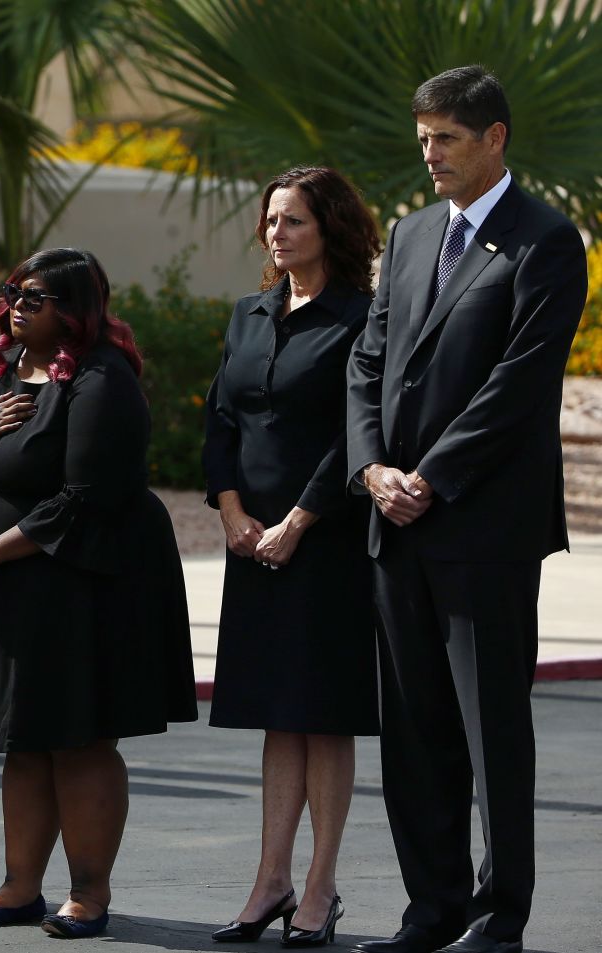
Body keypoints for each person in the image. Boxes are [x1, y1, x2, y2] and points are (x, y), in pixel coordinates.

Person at [346, 67, 587, 953]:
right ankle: (431, 907)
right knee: (412, 735)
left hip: (481, 529)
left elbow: (518, 386)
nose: (429, 154)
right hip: (393, 521)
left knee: (490, 734)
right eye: (422, 138)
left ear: (494, 138)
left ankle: (500, 915)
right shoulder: (411, 236)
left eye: (445, 138)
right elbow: (368, 362)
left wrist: (431, 477)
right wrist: (373, 467)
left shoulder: (548, 243)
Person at [0, 248, 197, 939]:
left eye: (36, 297)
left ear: (74, 310)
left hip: (81, 582)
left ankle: (89, 893)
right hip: (4, 593)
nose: (16, 306)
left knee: (78, 737)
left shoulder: (102, 379)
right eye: (13, 293)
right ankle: (19, 886)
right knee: (26, 738)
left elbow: (86, 496)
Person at [201, 167, 382, 947]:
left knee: (323, 716)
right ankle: (269, 879)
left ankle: (318, 887)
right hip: (252, 545)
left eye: (295, 220)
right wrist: (233, 510)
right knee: (279, 717)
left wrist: (301, 519)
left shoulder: (366, 317)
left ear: (330, 229)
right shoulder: (250, 312)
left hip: (329, 543)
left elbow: (358, 430)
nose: (277, 233)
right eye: (272, 219)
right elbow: (221, 419)